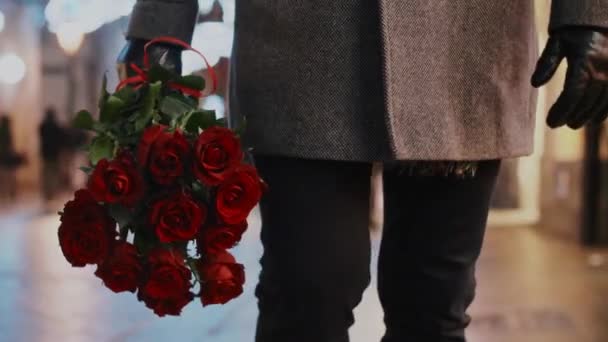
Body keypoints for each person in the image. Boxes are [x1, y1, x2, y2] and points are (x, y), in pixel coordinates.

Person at [119, 1, 608, 341]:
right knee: (307, 294)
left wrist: (589, 13)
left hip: (465, 38)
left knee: (432, 300)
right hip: (298, 42)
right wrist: (161, 17)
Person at [39, 108, 64, 201]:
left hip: (45, 153)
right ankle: (53, 191)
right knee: (54, 173)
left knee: (46, 172)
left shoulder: (42, 126)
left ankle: (47, 192)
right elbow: (61, 138)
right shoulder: (56, 126)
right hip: (55, 153)